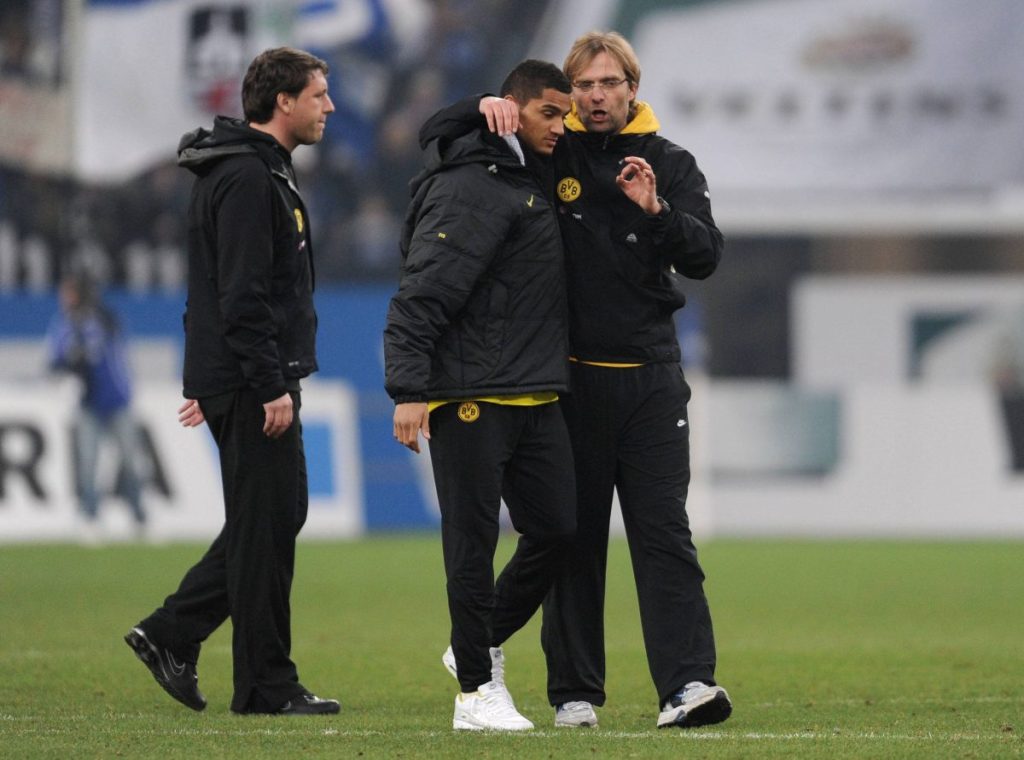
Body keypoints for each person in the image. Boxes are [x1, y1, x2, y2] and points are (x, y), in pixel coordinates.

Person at [419, 30, 732, 730]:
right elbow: (434, 137)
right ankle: (574, 694)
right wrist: (486, 105)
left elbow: (707, 254)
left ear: (631, 88)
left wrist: (658, 211)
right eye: (583, 86)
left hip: (652, 380)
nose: (595, 98)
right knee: (575, 540)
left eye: (608, 84)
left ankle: (688, 686)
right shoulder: (543, 150)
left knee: (664, 537)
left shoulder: (669, 162)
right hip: (572, 382)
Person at [124, 47, 340, 716]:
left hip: (239, 373)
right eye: (318, 94)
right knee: (267, 521)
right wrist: (264, 382)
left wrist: (212, 371)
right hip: (254, 379)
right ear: (284, 103)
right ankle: (258, 679)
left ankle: (181, 638)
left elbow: (215, 286)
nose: (329, 107)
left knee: (273, 518)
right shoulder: (249, 177)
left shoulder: (248, 170)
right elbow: (243, 294)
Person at [383, 59, 576, 731]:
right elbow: (421, 294)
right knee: (471, 546)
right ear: (511, 112)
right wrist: (409, 389)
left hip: (533, 392)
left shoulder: (527, 179)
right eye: (549, 112)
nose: (562, 125)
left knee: (558, 529)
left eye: (565, 113)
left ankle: (475, 642)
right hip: (468, 395)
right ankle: (474, 694)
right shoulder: (471, 187)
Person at [47, 272, 146, 544]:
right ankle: (90, 516)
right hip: (90, 403)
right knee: (89, 462)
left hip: (116, 400)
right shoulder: (66, 324)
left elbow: (111, 355)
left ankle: (139, 517)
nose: (63, 299)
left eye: (68, 293)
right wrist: (71, 362)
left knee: (130, 460)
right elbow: (55, 361)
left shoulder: (102, 318)